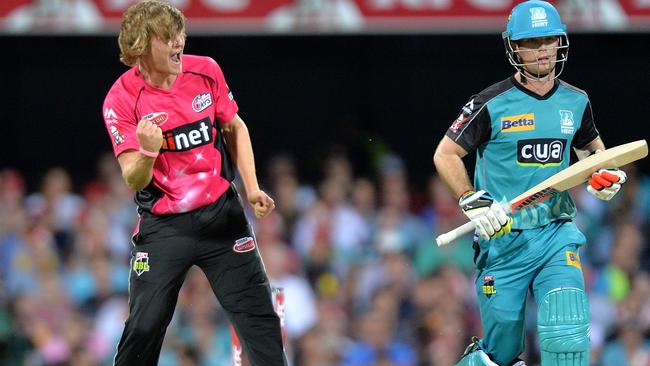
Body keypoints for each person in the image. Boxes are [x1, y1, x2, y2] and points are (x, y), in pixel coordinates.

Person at [432, 1, 627, 365]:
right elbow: (445, 154)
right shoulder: (490, 103)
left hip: (555, 231)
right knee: (502, 353)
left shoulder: (577, 101)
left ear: (559, 42)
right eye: (531, 42)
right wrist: (471, 197)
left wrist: (607, 178)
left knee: (566, 327)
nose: (542, 50)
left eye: (548, 40)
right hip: (502, 237)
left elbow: (594, 157)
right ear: (514, 47)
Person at [101, 1, 287, 365]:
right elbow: (132, 177)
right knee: (144, 326)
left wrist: (251, 188)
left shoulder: (206, 71)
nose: (179, 42)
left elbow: (234, 126)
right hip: (165, 227)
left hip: (223, 217)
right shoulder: (121, 99)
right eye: (167, 37)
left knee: (260, 318)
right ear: (141, 45)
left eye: (180, 34)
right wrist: (149, 152)